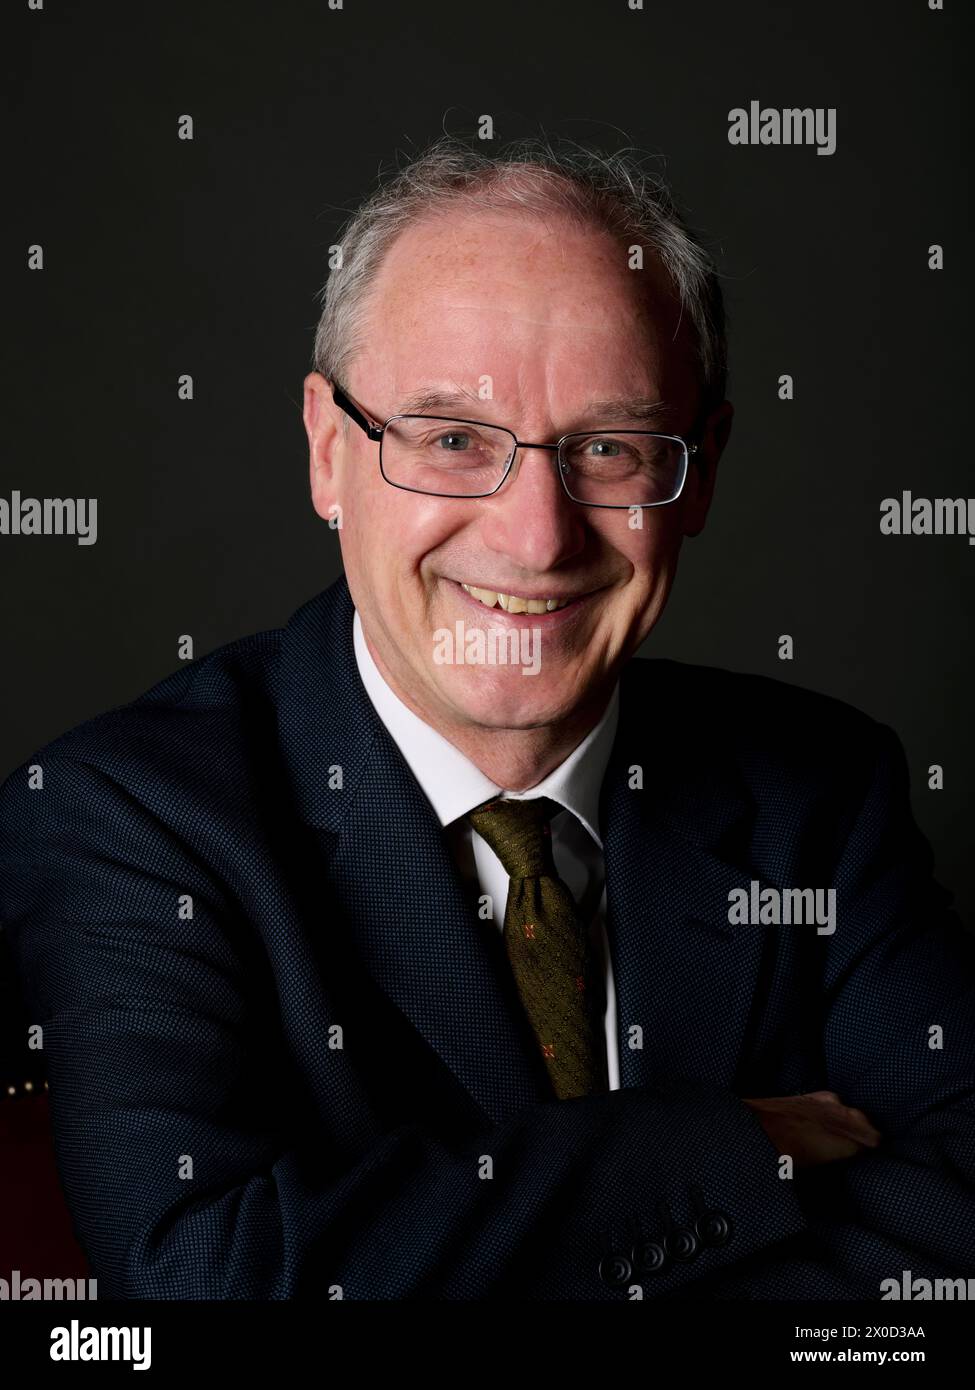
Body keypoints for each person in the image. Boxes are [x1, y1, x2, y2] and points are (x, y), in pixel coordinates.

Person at [1, 135, 972, 1300]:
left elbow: (957, 1233)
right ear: (327, 451)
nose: (536, 538)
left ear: (700, 470)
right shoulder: (128, 820)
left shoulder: (818, 791)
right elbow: (212, 1275)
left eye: (609, 447)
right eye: (454, 439)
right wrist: (725, 1147)